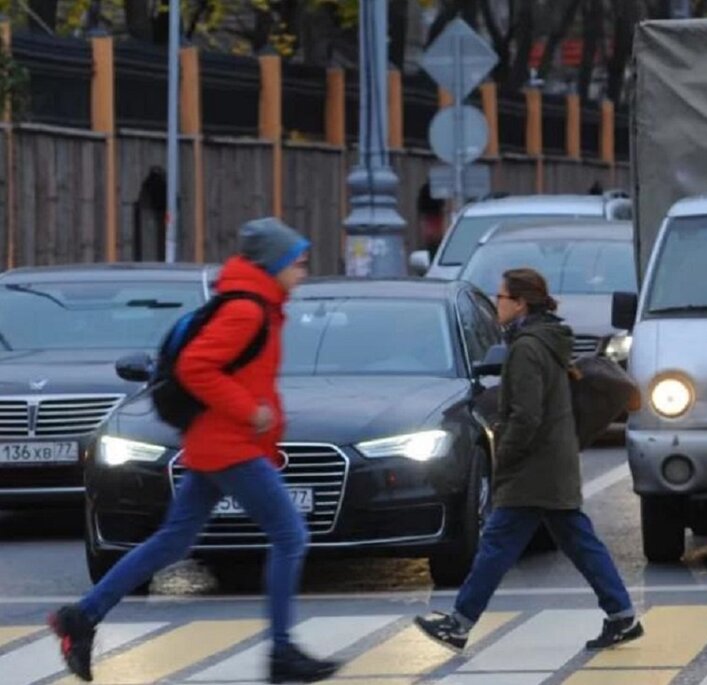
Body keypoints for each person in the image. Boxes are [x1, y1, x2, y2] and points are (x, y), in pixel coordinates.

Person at [47, 218, 341, 685]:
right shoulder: (247, 310)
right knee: (290, 535)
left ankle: (81, 617)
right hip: (228, 444)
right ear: (276, 264)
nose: (303, 272)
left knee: (174, 540)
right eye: (297, 263)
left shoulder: (260, 306)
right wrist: (250, 413)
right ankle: (282, 652)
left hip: (218, 442)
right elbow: (195, 366)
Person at [414, 268, 644, 653]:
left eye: (501, 297)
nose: (497, 303)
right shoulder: (545, 339)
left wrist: (505, 456)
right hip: (551, 464)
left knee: (498, 546)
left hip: (533, 468)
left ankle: (459, 623)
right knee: (577, 542)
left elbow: (526, 414)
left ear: (520, 302)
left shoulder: (526, 348)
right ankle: (621, 615)